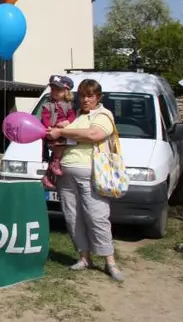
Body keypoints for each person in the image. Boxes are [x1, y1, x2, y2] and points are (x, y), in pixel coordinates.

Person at [47, 79, 124, 282]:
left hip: (92, 174)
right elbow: (63, 137)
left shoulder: (103, 115)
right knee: (73, 217)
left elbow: (94, 134)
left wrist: (63, 131)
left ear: (98, 97)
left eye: (90, 95)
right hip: (67, 174)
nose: (85, 99)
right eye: (82, 95)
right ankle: (84, 257)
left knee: (97, 216)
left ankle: (110, 261)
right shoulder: (76, 116)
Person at [40, 75, 76, 190]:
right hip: (52, 131)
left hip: (64, 131)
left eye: (58, 90)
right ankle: (53, 164)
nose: (55, 92)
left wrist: (67, 122)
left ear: (66, 92)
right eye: (53, 89)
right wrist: (48, 126)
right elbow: (45, 117)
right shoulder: (47, 105)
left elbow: (72, 116)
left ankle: (49, 175)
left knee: (62, 148)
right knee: (58, 148)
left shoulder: (69, 105)